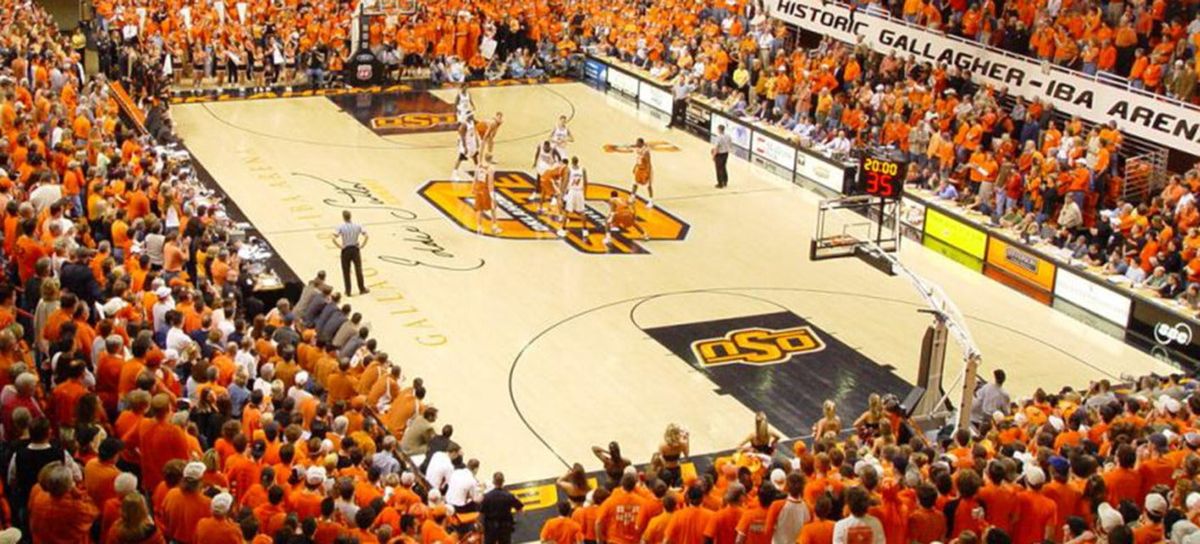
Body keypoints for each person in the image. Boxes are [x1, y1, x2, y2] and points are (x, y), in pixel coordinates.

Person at [479, 471, 524, 544]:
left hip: (490, 528)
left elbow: (481, 513)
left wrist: (481, 525)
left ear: (493, 482)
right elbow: (520, 509)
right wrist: (513, 517)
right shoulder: (509, 496)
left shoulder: (487, 497)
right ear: (503, 482)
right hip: (505, 527)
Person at [332, 210, 369, 297]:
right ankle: (362, 289)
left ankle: (348, 291)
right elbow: (366, 235)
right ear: (350, 216)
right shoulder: (357, 225)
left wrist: (340, 246)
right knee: (358, 270)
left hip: (346, 250)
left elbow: (333, 238)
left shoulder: (340, 227)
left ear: (343, 217)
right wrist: (362, 245)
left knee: (346, 271)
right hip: (355, 249)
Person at [559, 157, 589, 239]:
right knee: (582, 212)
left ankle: (563, 229)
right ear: (578, 161)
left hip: (572, 191)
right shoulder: (583, 169)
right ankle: (585, 230)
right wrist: (585, 194)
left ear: (571, 162)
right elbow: (586, 182)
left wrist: (562, 193)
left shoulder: (569, 170)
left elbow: (565, 181)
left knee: (566, 211)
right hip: (580, 192)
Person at [474, 155, 502, 235]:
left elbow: (475, 178)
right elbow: (490, 183)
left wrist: (474, 189)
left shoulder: (479, 166)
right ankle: (494, 227)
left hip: (479, 188)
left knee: (480, 209)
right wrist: (493, 196)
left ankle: (479, 227)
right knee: (493, 208)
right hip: (486, 190)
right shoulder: (490, 169)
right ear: (491, 160)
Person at [630, 138, 654, 209]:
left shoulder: (646, 152)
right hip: (639, 168)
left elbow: (649, 163)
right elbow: (638, 159)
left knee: (648, 186)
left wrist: (648, 173)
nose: (636, 144)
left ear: (641, 143)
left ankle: (651, 201)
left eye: (638, 143)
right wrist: (635, 167)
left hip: (646, 169)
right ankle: (633, 197)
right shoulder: (638, 148)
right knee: (635, 183)